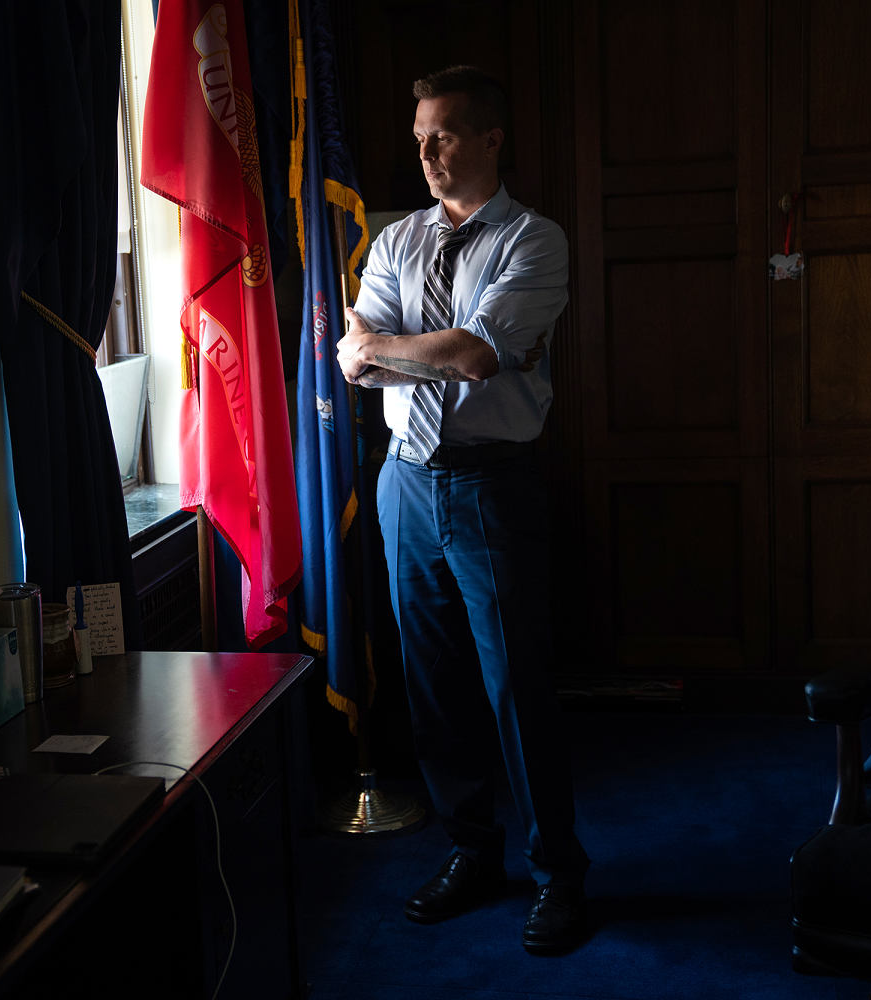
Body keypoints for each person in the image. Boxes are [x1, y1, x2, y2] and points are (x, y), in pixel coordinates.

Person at [336, 65, 589, 955]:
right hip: (405, 482)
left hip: (491, 484)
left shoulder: (534, 240)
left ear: (489, 138)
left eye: (440, 136)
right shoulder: (397, 240)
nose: (426, 154)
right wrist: (414, 350)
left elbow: (476, 356)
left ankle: (559, 872)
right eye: (418, 139)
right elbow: (352, 361)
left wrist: (394, 349)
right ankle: (472, 852)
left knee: (516, 687)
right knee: (433, 687)